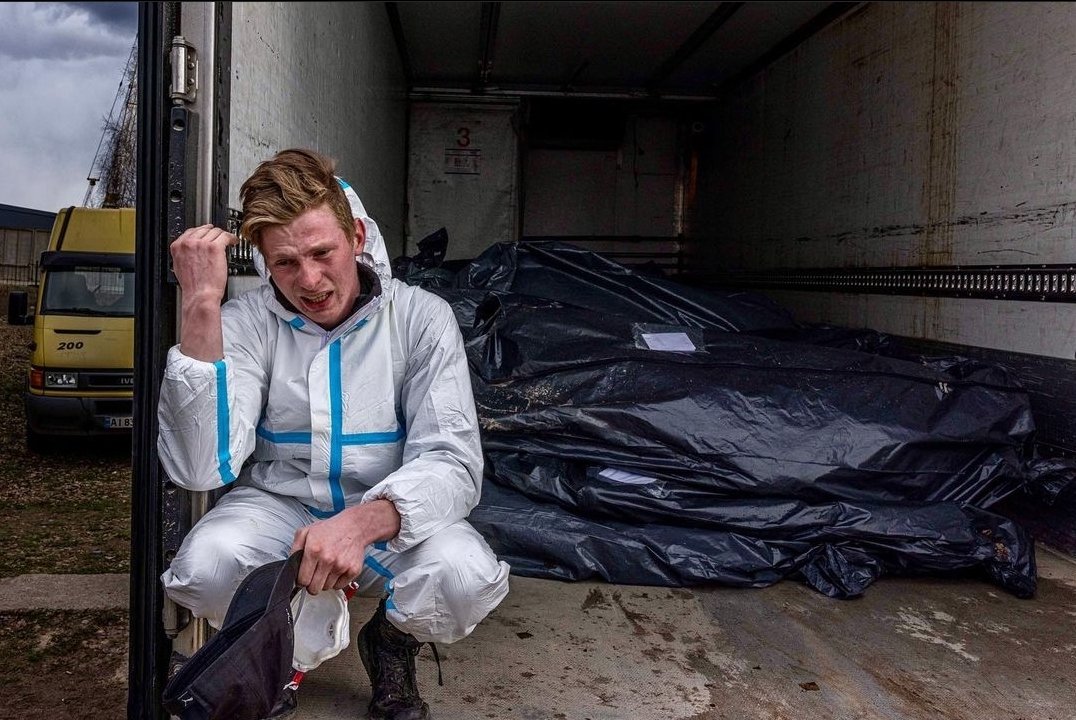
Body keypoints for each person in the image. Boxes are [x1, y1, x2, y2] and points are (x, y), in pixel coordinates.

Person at [158, 148, 511, 720]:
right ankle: (282, 658)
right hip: (283, 506)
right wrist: (201, 304)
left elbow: (452, 459)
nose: (310, 281)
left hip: (390, 518)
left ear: (356, 236)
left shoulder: (421, 318)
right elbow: (200, 467)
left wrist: (362, 523)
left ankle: (390, 643)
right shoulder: (247, 323)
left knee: (464, 575)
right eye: (285, 263)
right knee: (208, 563)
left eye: (322, 253)